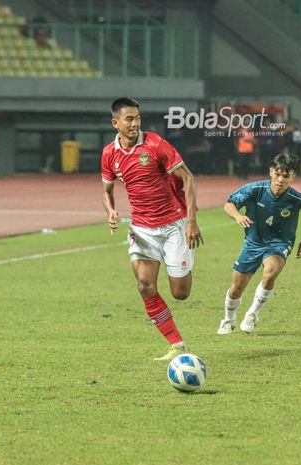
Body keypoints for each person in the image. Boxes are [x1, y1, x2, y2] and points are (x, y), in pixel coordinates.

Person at [101, 97, 203, 360]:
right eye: (129, 119)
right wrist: (111, 210)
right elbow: (107, 190)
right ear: (115, 123)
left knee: (180, 293)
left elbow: (188, 178)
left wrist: (191, 220)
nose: (135, 123)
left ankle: (182, 262)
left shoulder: (155, 144)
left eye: (138, 118)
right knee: (145, 285)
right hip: (142, 229)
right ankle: (177, 344)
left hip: (174, 225)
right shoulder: (109, 154)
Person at [216, 153, 301, 335]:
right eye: (277, 174)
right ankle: (228, 319)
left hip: (279, 243)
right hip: (253, 242)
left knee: (270, 273)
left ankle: (252, 314)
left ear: (293, 177)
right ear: (271, 171)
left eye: (286, 176)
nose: (280, 180)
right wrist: (238, 216)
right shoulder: (254, 189)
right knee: (236, 288)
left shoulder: (297, 199)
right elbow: (229, 204)